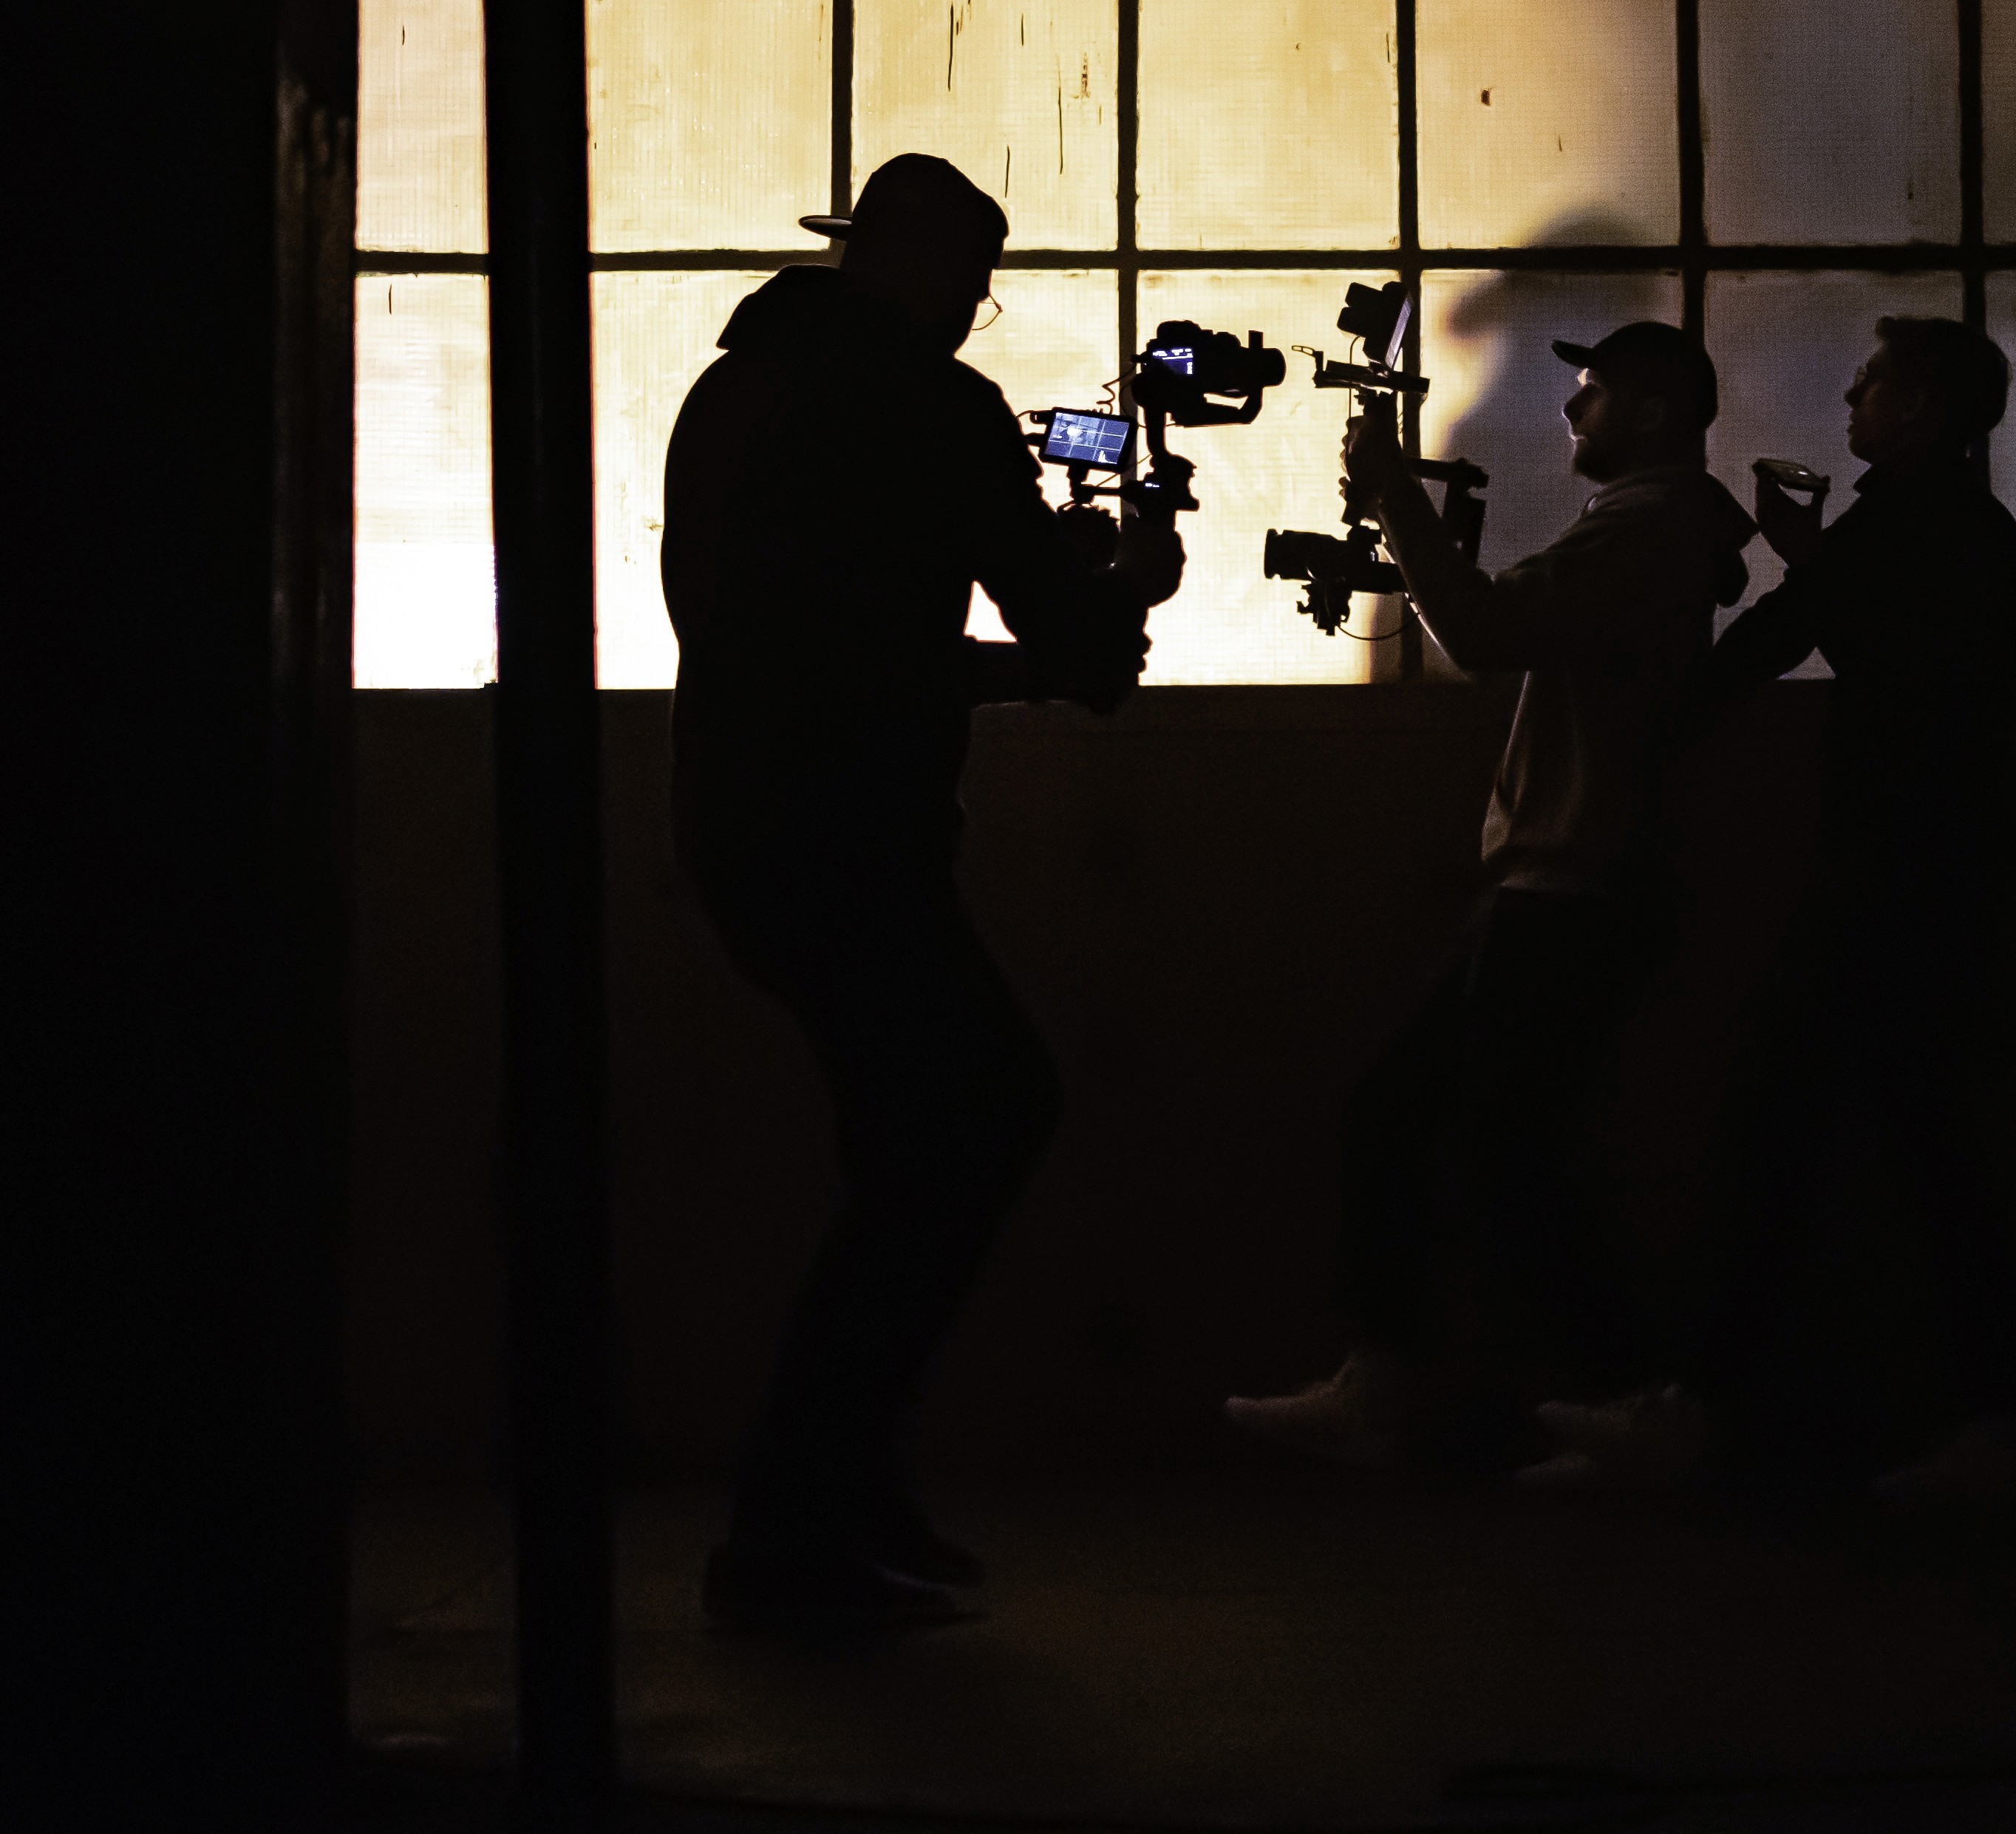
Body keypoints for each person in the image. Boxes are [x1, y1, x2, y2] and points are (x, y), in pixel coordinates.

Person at [664, 153, 1184, 1634]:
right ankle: (795, 1518)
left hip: (739, 821)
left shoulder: (740, 390)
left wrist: (1035, 647)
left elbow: (791, 636)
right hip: (855, 840)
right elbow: (1068, 647)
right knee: (980, 1115)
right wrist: (1126, 584)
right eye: (972, 275)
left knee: (915, 1142)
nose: (976, 306)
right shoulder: (929, 408)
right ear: (921, 267)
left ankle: (834, 1493)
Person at [1523, 314, 2016, 1504]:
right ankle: (1986, 1414)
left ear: (1918, 408)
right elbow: (1833, 643)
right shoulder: (1951, 525)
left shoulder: (1934, 527)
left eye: (1870, 385)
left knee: (1810, 1125)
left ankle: (1716, 1408)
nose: (1851, 401)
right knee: (1894, 1139)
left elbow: (1845, 660)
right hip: (1921, 874)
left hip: (1903, 877)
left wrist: (1639, 702)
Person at [1225, 322, 1757, 1467]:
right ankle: (1567, 1390)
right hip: (1574, 874)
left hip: (1571, 879)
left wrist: (1393, 499)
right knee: (1487, 1136)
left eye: (1595, 394)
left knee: (1482, 1138)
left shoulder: (1647, 526)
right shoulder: (1663, 527)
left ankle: (1618, 1394)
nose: (1573, 413)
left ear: (1654, 417)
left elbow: (1480, 629)